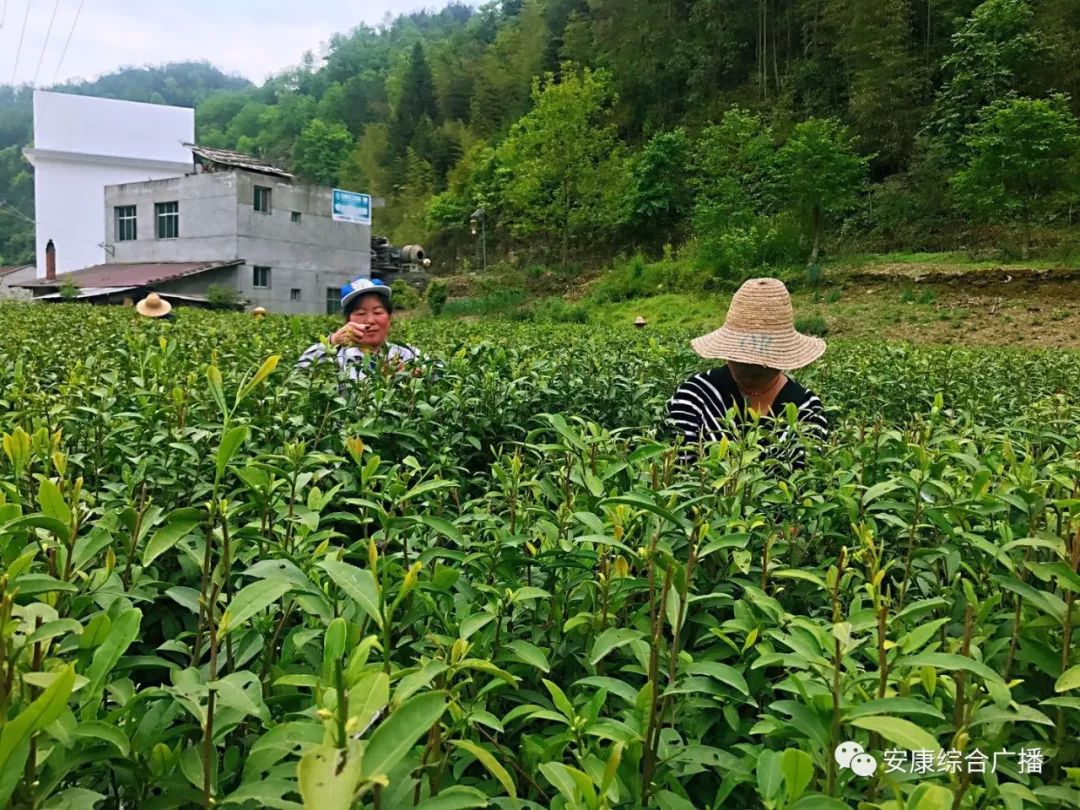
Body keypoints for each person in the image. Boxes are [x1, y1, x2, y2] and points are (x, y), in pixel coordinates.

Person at [666, 277, 828, 467]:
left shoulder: (807, 408)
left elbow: (812, 479)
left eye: (762, 361)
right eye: (744, 358)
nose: (752, 364)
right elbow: (675, 473)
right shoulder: (695, 396)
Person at [297, 277, 421, 380]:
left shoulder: (408, 354)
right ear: (348, 321)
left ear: (389, 319)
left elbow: (436, 373)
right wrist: (332, 342)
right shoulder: (335, 359)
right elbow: (298, 374)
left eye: (377, 312)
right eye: (361, 313)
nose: (370, 320)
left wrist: (416, 374)